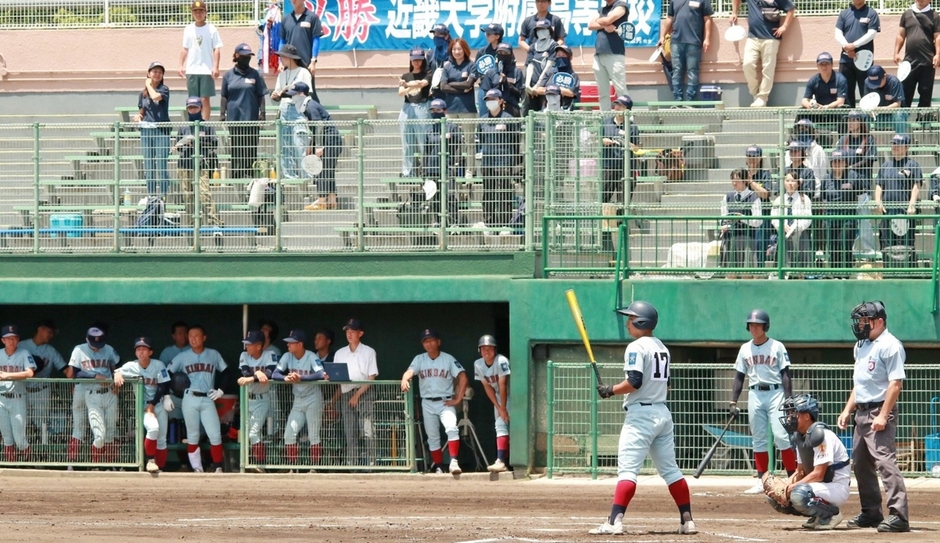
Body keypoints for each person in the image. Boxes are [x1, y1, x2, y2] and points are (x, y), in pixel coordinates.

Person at [590, 301, 696, 535]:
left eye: (630, 318)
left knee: (627, 471)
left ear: (641, 322)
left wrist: (610, 389)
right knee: (671, 471)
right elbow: (666, 386)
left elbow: (634, 383)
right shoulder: (662, 347)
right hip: (662, 413)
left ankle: (614, 522)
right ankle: (687, 520)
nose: (627, 323)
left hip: (641, 416)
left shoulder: (636, 347)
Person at [837, 301, 910, 532]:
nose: (859, 325)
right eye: (858, 320)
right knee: (860, 464)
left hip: (879, 411)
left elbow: (895, 384)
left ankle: (899, 515)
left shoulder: (891, 345)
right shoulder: (861, 345)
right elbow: (859, 383)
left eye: (863, 320)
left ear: (879, 321)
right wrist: (848, 409)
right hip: (862, 411)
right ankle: (871, 512)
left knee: (885, 462)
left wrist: (883, 415)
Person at [729, 309, 797, 493]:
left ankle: (793, 477)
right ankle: (762, 479)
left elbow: (786, 374)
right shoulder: (745, 348)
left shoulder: (777, 346)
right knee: (758, 438)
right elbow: (739, 376)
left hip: (776, 392)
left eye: (757, 324)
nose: (754, 327)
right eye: (751, 324)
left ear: (765, 326)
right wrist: (733, 402)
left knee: (782, 436)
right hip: (755, 393)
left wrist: (789, 399)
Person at [765, 394, 850, 530]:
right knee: (775, 497)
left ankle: (832, 514)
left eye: (794, 413)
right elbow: (800, 472)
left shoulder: (821, 435)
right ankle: (817, 515)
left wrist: (790, 489)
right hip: (821, 486)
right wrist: (783, 487)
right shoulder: (800, 436)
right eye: (789, 414)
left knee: (799, 494)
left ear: (807, 416)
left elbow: (818, 475)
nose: (789, 418)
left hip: (836, 486)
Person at [400, 328, 468, 476]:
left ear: (438, 342)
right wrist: (405, 378)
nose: (429, 344)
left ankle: (454, 461)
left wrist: (458, 398)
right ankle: (438, 466)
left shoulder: (448, 359)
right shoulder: (419, 359)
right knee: (432, 436)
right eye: (426, 341)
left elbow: (463, 376)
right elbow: (409, 371)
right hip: (427, 402)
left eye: (431, 340)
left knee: (451, 428)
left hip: (445, 401)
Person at [168, 324, 228, 473]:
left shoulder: (213, 354)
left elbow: (227, 372)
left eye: (196, 336)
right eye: (190, 336)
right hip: (190, 398)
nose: (192, 339)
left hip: (208, 397)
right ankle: (197, 468)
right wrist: (170, 392)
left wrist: (221, 390)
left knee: (214, 434)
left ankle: (218, 467)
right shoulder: (183, 356)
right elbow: (167, 373)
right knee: (192, 435)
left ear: (204, 337)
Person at [114, 337, 171, 473]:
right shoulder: (131, 366)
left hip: (158, 403)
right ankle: (150, 461)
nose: (141, 352)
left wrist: (153, 404)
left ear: (150, 352)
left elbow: (163, 386)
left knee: (162, 439)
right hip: (143, 406)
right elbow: (117, 371)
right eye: (138, 349)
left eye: (144, 349)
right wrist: (116, 374)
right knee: (153, 428)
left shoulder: (158, 365)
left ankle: (161, 469)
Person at [273, 329, 328, 469]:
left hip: (313, 398)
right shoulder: (287, 356)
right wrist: (286, 378)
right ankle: (293, 467)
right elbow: (275, 374)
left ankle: (314, 468)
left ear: (300, 344)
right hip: (298, 399)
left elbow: (321, 373)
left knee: (313, 434)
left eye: (291, 343)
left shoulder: (310, 356)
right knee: (289, 434)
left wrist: (301, 378)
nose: (288, 345)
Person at [68, 326, 121, 467]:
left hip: (106, 391)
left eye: (99, 344)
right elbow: (74, 373)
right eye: (94, 344)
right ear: (87, 339)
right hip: (83, 389)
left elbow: (116, 365)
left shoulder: (108, 349)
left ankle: (110, 465)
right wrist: (95, 376)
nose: (97, 348)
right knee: (79, 427)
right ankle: (72, 463)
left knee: (110, 430)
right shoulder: (79, 349)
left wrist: (116, 376)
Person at [331, 319, 378, 468]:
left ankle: (372, 465)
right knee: (350, 432)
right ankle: (353, 466)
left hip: (364, 393)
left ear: (360, 333)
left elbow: (371, 377)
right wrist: (329, 377)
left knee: (367, 431)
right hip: (346, 394)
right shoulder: (339, 353)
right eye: (347, 332)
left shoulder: (369, 351)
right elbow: (337, 378)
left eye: (352, 331)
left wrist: (357, 395)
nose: (349, 334)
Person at [731, 0, 795, 107]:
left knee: (768, 70)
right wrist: (734, 12)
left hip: (771, 39)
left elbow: (791, 9)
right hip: (753, 38)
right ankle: (755, 94)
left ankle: (762, 97)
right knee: (747, 64)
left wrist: (784, 27)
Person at [291, 82, 343, 211]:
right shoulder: (308, 106)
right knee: (328, 170)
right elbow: (315, 130)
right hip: (328, 140)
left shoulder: (310, 106)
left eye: (294, 95)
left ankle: (321, 201)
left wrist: (319, 147)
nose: (292, 98)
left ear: (301, 94)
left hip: (330, 141)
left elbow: (318, 126)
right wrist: (311, 145)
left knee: (322, 170)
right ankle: (332, 200)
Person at [220, 43, 268, 180]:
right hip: (235, 120)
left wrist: (262, 113)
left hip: (251, 120)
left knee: (251, 150)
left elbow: (261, 95)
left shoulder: (255, 74)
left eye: (248, 56)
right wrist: (222, 115)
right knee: (236, 150)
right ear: (236, 56)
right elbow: (224, 96)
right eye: (243, 56)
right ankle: (236, 177)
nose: (246, 58)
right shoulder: (228, 75)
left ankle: (250, 178)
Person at [174, 96, 223, 227]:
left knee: (205, 194)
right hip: (185, 166)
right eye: (190, 108)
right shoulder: (184, 127)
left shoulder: (207, 126)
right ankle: (192, 224)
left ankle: (214, 223)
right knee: (188, 196)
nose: (193, 110)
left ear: (201, 108)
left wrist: (198, 142)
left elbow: (214, 144)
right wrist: (185, 144)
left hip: (202, 165)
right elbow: (178, 145)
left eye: (195, 107)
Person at [477, 89, 522, 230]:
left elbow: (515, 140)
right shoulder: (482, 120)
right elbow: (481, 139)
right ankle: (489, 222)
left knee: (504, 191)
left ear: (501, 101)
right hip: (488, 162)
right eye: (488, 100)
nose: (490, 102)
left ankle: (505, 222)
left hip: (504, 161)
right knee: (488, 192)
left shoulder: (508, 119)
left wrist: (513, 161)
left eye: (493, 99)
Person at [874, 133, 921, 264]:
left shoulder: (913, 165)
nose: (895, 147)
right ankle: (889, 272)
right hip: (887, 213)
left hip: (905, 212)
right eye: (893, 144)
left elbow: (917, 185)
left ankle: (907, 273)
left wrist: (912, 204)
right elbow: (879, 185)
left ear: (906, 147)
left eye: (899, 144)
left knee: (906, 245)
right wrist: (878, 202)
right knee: (887, 243)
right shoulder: (885, 166)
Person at [270, 44, 313, 182]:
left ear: (290, 58)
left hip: (298, 109)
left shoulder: (303, 72)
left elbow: (306, 92)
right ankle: (290, 178)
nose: (281, 59)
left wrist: (286, 93)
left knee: (300, 145)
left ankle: (307, 178)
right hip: (284, 110)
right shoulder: (282, 74)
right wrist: (276, 95)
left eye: (282, 56)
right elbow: (277, 92)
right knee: (285, 147)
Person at [20, 320, 66, 447]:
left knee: (42, 423)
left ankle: (43, 451)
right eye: (49, 332)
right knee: (21, 422)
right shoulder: (21, 346)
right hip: (22, 390)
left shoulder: (51, 351)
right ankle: (23, 452)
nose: (51, 335)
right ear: (40, 329)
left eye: (52, 333)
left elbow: (66, 370)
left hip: (42, 390)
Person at [237, 330, 276, 472]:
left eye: (249, 344)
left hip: (262, 399)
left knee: (253, 432)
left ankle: (260, 463)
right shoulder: (244, 355)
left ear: (258, 346)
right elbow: (245, 373)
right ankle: (254, 464)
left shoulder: (269, 355)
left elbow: (270, 373)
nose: (246, 347)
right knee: (249, 432)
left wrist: (259, 374)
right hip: (247, 399)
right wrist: (257, 373)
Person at [661, 0, 713, 102]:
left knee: (692, 72)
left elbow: (708, 19)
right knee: (676, 71)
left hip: (694, 42)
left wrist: (707, 39)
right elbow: (669, 18)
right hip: (676, 41)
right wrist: (662, 36)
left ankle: (690, 101)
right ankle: (678, 100)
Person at [179, 0, 221, 121]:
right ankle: (194, 124)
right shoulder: (188, 29)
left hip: (206, 70)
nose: (198, 14)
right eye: (195, 11)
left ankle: (205, 124)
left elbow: (216, 49)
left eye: (201, 11)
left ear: (205, 12)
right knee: (193, 99)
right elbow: (184, 49)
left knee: (204, 99)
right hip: (192, 69)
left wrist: (216, 67)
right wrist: (181, 65)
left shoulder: (212, 29)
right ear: (192, 13)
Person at [473, 335, 510, 473]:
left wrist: (503, 408)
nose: (486, 351)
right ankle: (501, 461)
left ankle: (505, 461)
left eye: (489, 348)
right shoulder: (478, 364)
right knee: (500, 426)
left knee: (513, 429)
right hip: (498, 397)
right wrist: (499, 407)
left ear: (495, 350)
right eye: (483, 349)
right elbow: (487, 387)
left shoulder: (501, 361)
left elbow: (503, 385)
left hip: (513, 395)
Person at [133, 61, 171, 197]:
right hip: (147, 131)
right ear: (149, 73)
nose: (157, 74)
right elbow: (142, 109)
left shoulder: (164, 89)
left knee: (161, 165)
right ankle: (151, 196)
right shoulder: (142, 94)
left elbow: (155, 97)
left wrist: (148, 84)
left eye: (160, 72)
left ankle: (163, 196)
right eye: (154, 71)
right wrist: (139, 116)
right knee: (149, 167)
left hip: (161, 130)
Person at [440, 38, 477, 176]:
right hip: (450, 109)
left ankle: (470, 170)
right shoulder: (447, 67)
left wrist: (452, 83)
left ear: (465, 50)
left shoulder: (471, 66)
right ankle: (448, 170)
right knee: (449, 140)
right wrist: (461, 86)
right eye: (454, 49)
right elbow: (443, 86)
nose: (457, 52)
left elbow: (469, 85)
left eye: (459, 49)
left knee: (469, 141)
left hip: (467, 109)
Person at [0, 325, 36, 462]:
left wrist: (7, 375)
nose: (11, 341)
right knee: (7, 439)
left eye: (14, 338)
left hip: (17, 398)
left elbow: (29, 372)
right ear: (3, 340)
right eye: (8, 339)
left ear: (18, 339)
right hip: (1, 399)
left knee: (20, 439)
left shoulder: (24, 353)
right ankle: (11, 468)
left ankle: (33, 465)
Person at [836, 0, 881, 107]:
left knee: (866, 92)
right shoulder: (844, 14)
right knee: (846, 93)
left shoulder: (871, 13)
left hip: (864, 61)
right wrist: (847, 47)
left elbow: (872, 34)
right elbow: (838, 34)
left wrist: (854, 45)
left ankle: (866, 122)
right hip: (846, 60)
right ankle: (847, 122)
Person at [895, 0, 940, 108]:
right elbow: (901, 35)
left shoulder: (935, 16)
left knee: (925, 93)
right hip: (909, 62)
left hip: (927, 62)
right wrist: (896, 53)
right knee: (905, 92)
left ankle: (923, 121)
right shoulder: (906, 14)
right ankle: (903, 122)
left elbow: (938, 36)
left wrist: (938, 54)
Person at [822, 149, 862, 269]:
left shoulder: (853, 176)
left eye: (840, 161)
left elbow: (861, 191)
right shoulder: (826, 178)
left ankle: (846, 273)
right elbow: (823, 198)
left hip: (847, 217)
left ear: (845, 163)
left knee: (845, 245)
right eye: (834, 162)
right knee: (832, 247)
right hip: (830, 218)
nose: (837, 164)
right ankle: (834, 272)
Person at [588, 0, 629, 111]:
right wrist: (604, 25)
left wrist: (602, 21)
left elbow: (609, 19)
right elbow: (590, 25)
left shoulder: (621, 6)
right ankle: (606, 123)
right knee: (603, 92)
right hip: (598, 55)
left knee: (620, 90)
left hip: (614, 54)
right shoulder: (601, 10)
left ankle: (627, 122)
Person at [399, 47, 433, 179]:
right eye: (414, 60)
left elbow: (421, 83)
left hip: (422, 107)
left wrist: (407, 84)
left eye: (419, 60)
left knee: (423, 141)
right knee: (407, 143)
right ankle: (408, 172)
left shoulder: (428, 73)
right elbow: (401, 92)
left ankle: (427, 170)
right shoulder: (405, 76)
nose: (416, 62)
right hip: (407, 107)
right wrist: (406, 86)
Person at [719, 168, 763, 269]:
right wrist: (724, 225)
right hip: (730, 237)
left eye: (737, 180)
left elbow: (758, 221)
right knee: (730, 271)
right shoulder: (728, 197)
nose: (734, 183)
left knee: (746, 271)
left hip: (747, 237)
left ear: (745, 181)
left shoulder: (754, 197)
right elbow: (723, 215)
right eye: (732, 180)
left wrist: (742, 218)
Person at [280, 0, 323, 103]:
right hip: (289, 63)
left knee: (308, 93)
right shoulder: (285, 19)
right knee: (289, 92)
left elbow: (316, 40)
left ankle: (314, 117)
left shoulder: (312, 17)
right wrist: (280, 61)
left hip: (306, 63)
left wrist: (313, 61)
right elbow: (282, 41)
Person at [601, 95, 639, 204]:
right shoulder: (605, 123)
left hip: (626, 167)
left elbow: (636, 148)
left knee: (624, 199)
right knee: (604, 197)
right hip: (608, 166)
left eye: (621, 106)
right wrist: (603, 140)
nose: (617, 108)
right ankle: (604, 220)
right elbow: (596, 140)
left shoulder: (632, 127)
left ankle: (621, 220)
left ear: (628, 110)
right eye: (616, 104)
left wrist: (628, 144)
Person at [770, 171, 813, 268]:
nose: (790, 183)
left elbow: (808, 218)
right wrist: (781, 225)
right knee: (784, 260)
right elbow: (774, 217)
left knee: (801, 261)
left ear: (798, 183)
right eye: (787, 180)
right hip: (783, 232)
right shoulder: (779, 199)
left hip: (800, 233)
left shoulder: (805, 199)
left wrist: (796, 227)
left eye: (793, 181)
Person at [799, 52, 848, 137]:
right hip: (818, 113)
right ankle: (797, 142)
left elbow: (840, 101)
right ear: (817, 66)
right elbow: (804, 100)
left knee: (843, 112)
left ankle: (842, 143)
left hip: (835, 113)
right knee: (801, 112)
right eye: (821, 64)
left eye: (827, 64)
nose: (824, 67)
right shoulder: (813, 80)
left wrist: (826, 107)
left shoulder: (840, 79)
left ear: (832, 65)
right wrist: (809, 106)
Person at [479, 43, 524, 118]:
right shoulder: (491, 73)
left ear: (511, 54)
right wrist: (498, 85)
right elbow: (487, 93)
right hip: (494, 110)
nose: (502, 55)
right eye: (500, 53)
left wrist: (507, 85)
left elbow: (520, 93)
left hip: (512, 109)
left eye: (505, 53)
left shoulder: (517, 72)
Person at [788, 119, 827, 200]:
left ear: (811, 130)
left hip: (815, 195)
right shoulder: (789, 152)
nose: (803, 131)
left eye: (806, 128)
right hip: (792, 194)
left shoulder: (818, 150)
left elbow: (823, 174)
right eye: (801, 129)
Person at [864, 65, 908, 133]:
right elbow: (866, 102)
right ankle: (864, 140)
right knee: (862, 114)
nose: (876, 85)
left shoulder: (894, 82)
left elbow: (897, 104)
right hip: (877, 115)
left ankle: (900, 140)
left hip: (893, 115)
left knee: (898, 114)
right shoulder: (867, 82)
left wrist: (880, 109)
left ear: (884, 76)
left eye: (878, 82)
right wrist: (869, 110)